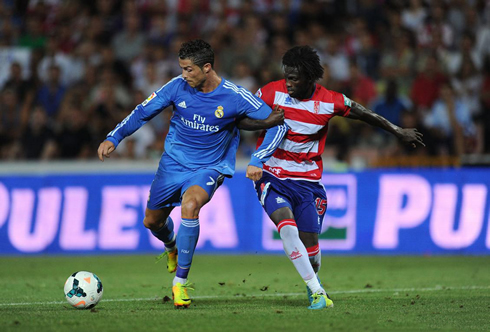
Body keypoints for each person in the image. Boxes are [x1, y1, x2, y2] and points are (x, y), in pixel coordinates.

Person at [97, 40, 287, 308]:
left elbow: (277, 126)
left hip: (209, 167)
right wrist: (114, 137)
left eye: (189, 70)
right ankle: (172, 245)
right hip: (173, 164)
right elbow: (142, 112)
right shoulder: (176, 86)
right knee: (152, 222)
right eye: (182, 69)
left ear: (206, 68)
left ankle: (180, 284)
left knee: (190, 205)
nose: (184, 75)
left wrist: (257, 159)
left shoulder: (235, 95)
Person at [238, 45, 425, 310]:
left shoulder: (330, 101)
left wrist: (397, 131)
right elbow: (242, 120)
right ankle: (317, 293)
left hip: (308, 181)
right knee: (286, 226)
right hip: (273, 174)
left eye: (295, 78)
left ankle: (311, 280)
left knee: (311, 244)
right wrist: (267, 123)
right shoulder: (270, 92)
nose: (288, 83)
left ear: (310, 77)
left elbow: (365, 114)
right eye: (286, 76)